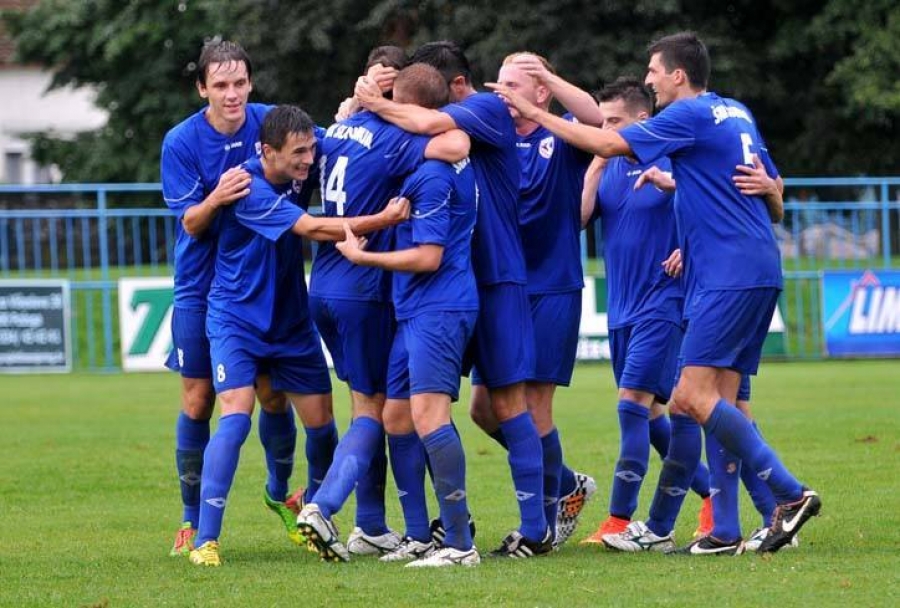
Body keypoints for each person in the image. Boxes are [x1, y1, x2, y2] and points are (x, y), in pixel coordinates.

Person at [489, 31, 820, 555]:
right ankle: (725, 528)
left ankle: (788, 494)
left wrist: (533, 108)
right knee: (721, 400)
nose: (649, 80)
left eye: (654, 71)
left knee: (690, 398)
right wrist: (735, 193)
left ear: (678, 75)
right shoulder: (736, 112)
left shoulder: (687, 115)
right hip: (754, 266)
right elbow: (774, 195)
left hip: (725, 275)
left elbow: (605, 143)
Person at [188, 105, 414, 566]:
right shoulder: (246, 184)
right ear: (267, 151)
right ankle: (205, 540)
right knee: (236, 415)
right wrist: (383, 219)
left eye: (311, 149)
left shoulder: (302, 165)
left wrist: (356, 109)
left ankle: (309, 513)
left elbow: (344, 143)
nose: (309, 160)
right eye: (298, 153)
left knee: (322, 425)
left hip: (291, 321)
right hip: (236, 319)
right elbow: (310, 228)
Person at [354, 40, 553, 557]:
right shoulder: (438, 134)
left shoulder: (483, 110)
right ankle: (440, 527)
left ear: (454, 86)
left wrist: (374, 104)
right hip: (447, 287)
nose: (505, 94)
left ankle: (536, 528)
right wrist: (359, 108)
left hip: (495, 278)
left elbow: (431, 125)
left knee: (508, 404)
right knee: (426, 408)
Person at [301, 60, 470, 557]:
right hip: (364, 287)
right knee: (374, 412)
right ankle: (327, 507)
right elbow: (455, 145)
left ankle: (377, 526)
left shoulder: (338, 129)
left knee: (377, 408)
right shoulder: (397, 137)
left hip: (323, 283)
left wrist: (356, 106)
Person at [160, 39, 319, 557]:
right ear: (202, 88)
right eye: (221, 84)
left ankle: (280, 493)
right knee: (199, 400)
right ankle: (191, 520)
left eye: (240, 83)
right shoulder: (182, 142)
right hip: (201, 286)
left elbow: (318, 146)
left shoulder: (269, 123)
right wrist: (216, 197)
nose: (232, 94)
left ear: (250, 83)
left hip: (265, 285)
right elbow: (191, 222)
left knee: (274, 396)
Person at [466, 52, 602, 550]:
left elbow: (595, 119)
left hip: (550, 287)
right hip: (502, 287)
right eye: (498, 83)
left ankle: (539, 528)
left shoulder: (560, 136)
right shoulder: (489, 135)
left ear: (541, 91)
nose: (501, 92)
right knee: (484, 410)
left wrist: (547, 78)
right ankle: (565, 483)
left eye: (514, 84)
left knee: (533, 407)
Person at [573, 77, 715, 545]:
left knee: (631, 404)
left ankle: (619, 520)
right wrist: (596, 165)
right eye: (601, 122)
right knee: (655, 415)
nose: (606, 130)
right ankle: (712, 496)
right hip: (621, 309)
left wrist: (688, 246)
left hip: (663, 302)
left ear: (642, 120)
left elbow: (715, 209)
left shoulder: (675, 158)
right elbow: (578, 219)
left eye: (614, 122)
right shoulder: (609, 166)